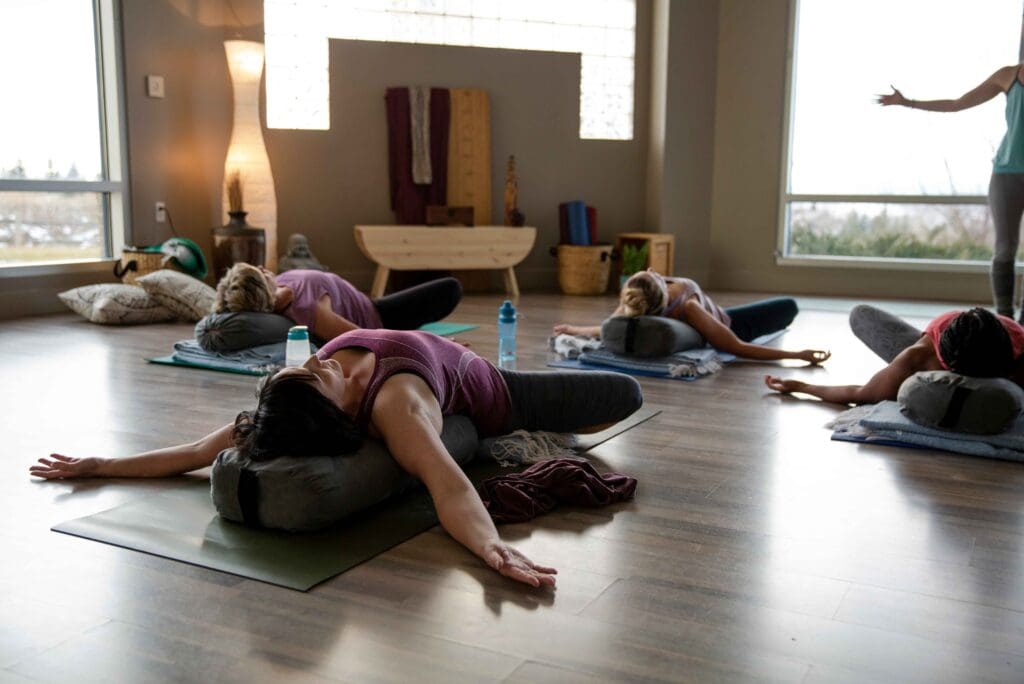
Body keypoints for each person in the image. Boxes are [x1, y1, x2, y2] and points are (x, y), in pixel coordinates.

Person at [30, 329, 644, 589]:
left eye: (306, 366)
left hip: (453, 356)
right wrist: (491, 548)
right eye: (318, 376)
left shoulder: (296, 391)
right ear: (335, 413)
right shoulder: (396, 410)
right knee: (626, 394)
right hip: (503, 392)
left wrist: (98, 462)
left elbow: (192, 450)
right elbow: (448, 484)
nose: (317, 362)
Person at [877, 64, 1024, 319]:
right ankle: (1006, 321)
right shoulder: (1008, 75)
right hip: (1006, 173)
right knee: (1004, 250)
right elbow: (957, 103)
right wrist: (908, 102)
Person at [553, 269, 831, 364]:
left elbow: (607, 327)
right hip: (735, 324)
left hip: (716, 312)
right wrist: (796, 356)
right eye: (653, 273)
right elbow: (737, 347)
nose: (654, 269)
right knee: (788, 305)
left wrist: (574, 329)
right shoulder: (689, 308)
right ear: (659, 285)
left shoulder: (636, 299)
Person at [764, 305, 1024, 404]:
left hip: (997, 337)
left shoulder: (1018, 356)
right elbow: (860, 395)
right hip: (933, 339)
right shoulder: (921, 358)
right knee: (860, 314)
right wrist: (801, 386)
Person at [214, 263, 463, 340]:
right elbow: (368, 339)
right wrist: (435, 345)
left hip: (366, 300)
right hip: (378, 315)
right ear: (263, 289)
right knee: (450, 289)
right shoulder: (308, 310)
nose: (262, 267)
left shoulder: (280, 285)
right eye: (259, 273)